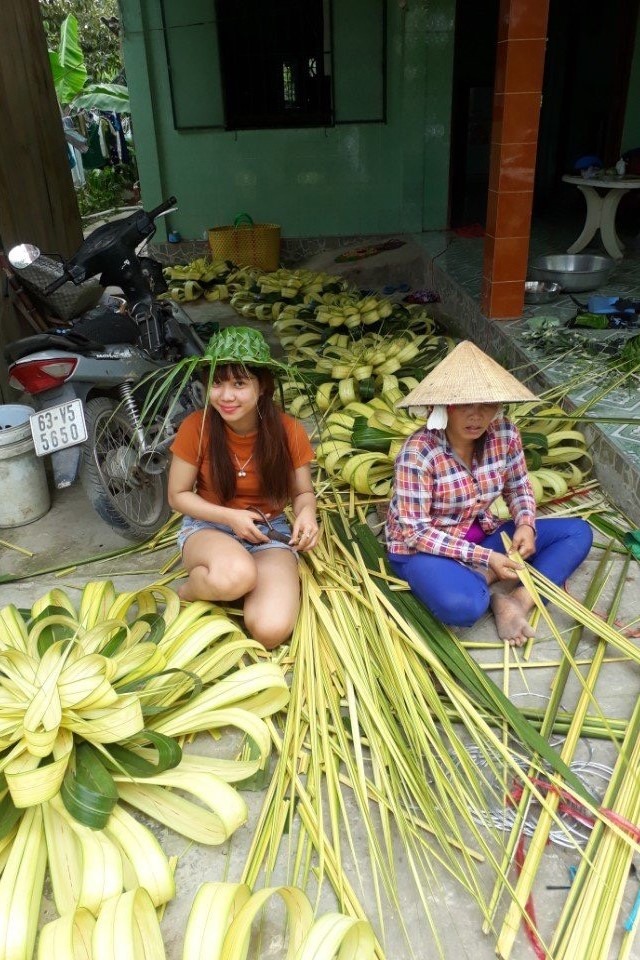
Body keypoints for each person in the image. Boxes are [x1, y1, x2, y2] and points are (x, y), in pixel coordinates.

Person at [385, 341, 593, 646]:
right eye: (464, 405)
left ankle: (518, 601)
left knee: (577, 533)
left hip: (482, 535)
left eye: (486, 404)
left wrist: (525, 523)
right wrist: (488, 558)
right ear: (441, 407)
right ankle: (487, 587)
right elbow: (416, 534)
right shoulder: (418, 453)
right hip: (424, 552)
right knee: (463, 608)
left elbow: (519, 485)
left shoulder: (504, 434)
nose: (476, 416)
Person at [168, 326, 318, 650]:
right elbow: (177, 496)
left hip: (269, 530)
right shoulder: (197, 426)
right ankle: (189, 592)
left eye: (239, 383)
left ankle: (232, 589)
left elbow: (303, 493)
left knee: (270, 631)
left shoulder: (289, 430)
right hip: (209, 527)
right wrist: (230, 518)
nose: (226, 395)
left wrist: (308, 516)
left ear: (262, 385)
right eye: (217, 383)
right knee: (236, 575)